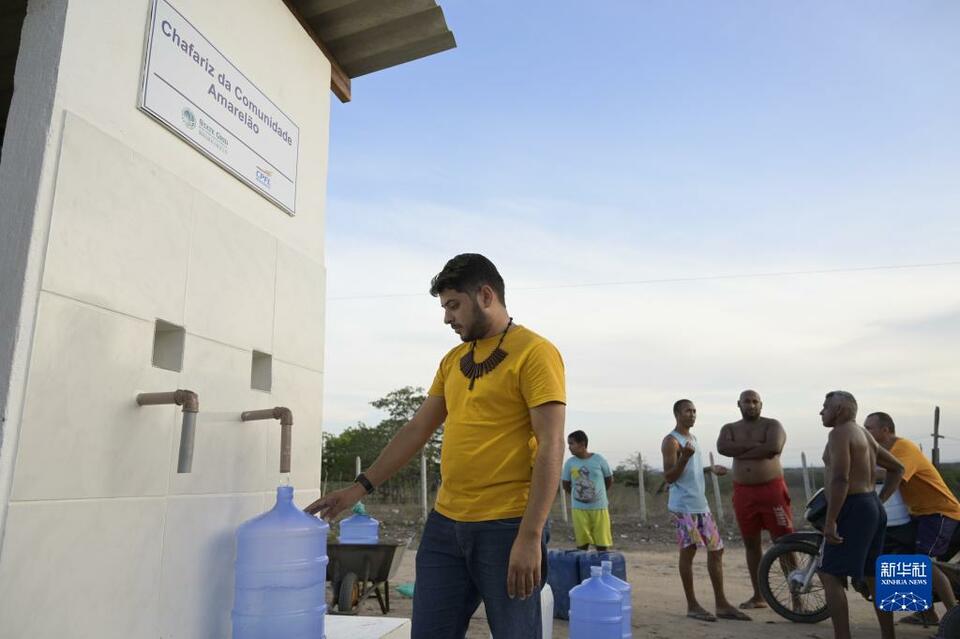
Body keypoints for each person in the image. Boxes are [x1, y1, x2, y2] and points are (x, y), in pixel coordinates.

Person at [305, 254, 566, 639]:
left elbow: (551, 445)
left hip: (507, 526)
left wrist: (530, 536)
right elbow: (415, 430)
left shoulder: (535, 353)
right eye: (445, 307)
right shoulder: (453, 360)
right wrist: (357, 488)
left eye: (453, 305)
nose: (447, 318)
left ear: (487, 295)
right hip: (446, 526)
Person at [818, 391, 904, 639]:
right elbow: (897, 468)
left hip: (853, 506)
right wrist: (877, 501)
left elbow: (841, 478)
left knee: (829, 573)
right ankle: (889, 635)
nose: (821, 411)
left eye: (825, 407)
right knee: (873, 574)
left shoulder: (839, 433)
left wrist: (831, 520)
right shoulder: (863, 434)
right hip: (870, 506)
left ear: (841, 409)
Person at [661, 399, 752, 623]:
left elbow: (689, 469)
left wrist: (709, 469)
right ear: (677, 414)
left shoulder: (693, 439)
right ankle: (692, 605)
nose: (692, 415)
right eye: (687, 411)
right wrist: (683, 458)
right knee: (689, 551)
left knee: (716, 550)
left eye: (694, 411)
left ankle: (721, 604)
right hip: (683, 507)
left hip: (700, 505)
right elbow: (669, 476)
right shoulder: (671, 441)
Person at [865, 411, 959, 624]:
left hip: (939, 511)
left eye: (869, 427)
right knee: (905, 559)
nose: (865, 431)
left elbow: (893, 473)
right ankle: (927, 613)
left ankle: (954, 619)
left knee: (922, 562)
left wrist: (853, 470)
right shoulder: (882, 451)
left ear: (885, 430)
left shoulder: (903, 448)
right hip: (919, 513)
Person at [716, 389, 794, 609]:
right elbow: (723, 448)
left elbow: (773, 447)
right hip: (743, 492)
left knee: (785, 543)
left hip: (772, 491)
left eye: (754, 402)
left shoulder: (773, 425)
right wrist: (758, 448)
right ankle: (758, 595)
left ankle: (797, 596)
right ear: (738, 404)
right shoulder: (729, 428)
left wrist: (738, 451)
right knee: (751, 544)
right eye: (746, 402)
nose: (751, 405)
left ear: (761, 404)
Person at [562, 430, 613, 550]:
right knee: (582, 544)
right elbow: (565, 484)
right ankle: (583, 566)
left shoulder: (599, 459)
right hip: (579, 509)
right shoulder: (570, 463)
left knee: (602, 544)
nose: (569, 447)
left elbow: (609, 479)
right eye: (568, 444)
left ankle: (600, 565)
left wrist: (598, 495)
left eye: (571, 443)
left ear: (582, 444)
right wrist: (579, 496)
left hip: (599, 508)